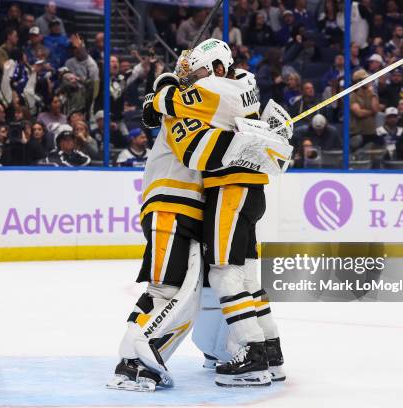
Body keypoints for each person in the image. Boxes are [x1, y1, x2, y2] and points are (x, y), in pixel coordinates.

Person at [148, 39, 288, 387]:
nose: (193, 80)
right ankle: (271, 351)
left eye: (198, 73)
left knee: (225, 274)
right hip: (250, 192)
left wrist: (165, 81)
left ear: (218, 68)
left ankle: (252, 354)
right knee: (247, 279)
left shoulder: (216, 87)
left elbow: (166, 103)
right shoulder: (245, 83)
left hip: (229, 190)